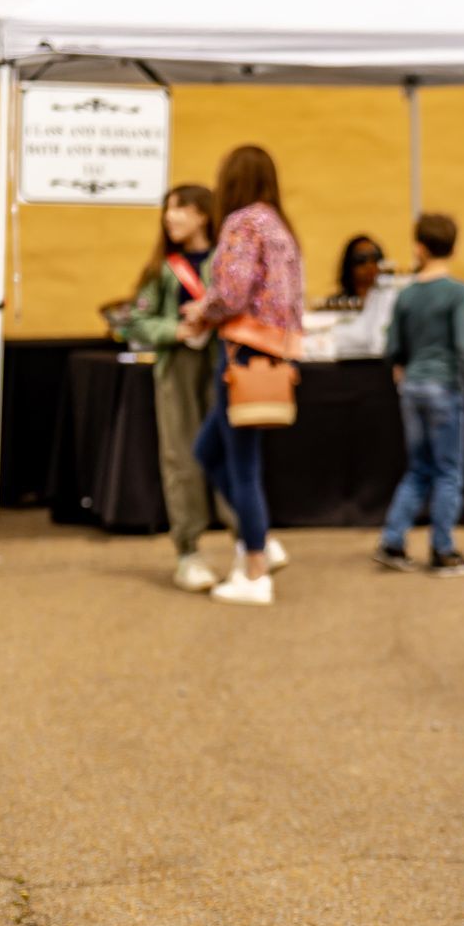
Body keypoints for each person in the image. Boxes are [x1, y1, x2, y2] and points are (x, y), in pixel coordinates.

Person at [181, 145, 302, 606]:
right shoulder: (279, 226)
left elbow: (230, 292)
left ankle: (255, 567)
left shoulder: (241, 223)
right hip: (270, 353)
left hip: (239, 353)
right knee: (209, 451)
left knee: (239, 464)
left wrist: (200, 310)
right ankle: (262, 539)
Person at [113, 183, 235, 592]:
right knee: (181, 455)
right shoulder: (163, 269)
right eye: (168, 210)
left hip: (222, 364)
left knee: (233, 450)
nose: (171, 217)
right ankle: (189, 551)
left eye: (180, 209)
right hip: (178, 368)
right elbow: (136, 321)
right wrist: (175, 329)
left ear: (203, 214)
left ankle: (247, 542)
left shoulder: (227, 261)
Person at [373, 213, 464, 575]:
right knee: (448, 472)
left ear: (419, 247)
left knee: (418, 469)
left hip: (412, 387)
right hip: (444, 387)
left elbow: (393, 347)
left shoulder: (407, 295)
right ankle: (442, 550)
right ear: (454, 247)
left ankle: (393, 541)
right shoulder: (458, 292)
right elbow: (463, 345)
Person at [334, 233, 385, 307]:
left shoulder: (392, 303)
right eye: (361, 259)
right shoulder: (338, 305)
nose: (369, 265)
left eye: (375, 258)